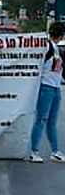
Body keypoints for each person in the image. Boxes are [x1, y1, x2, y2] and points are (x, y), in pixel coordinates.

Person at [29, 22, 65, 163]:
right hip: (46, 86)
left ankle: (55, 151)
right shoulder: (46, 47)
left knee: (52, 122)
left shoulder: (56, 49)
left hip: (55, 87)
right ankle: (34, 151)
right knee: (41, 119)